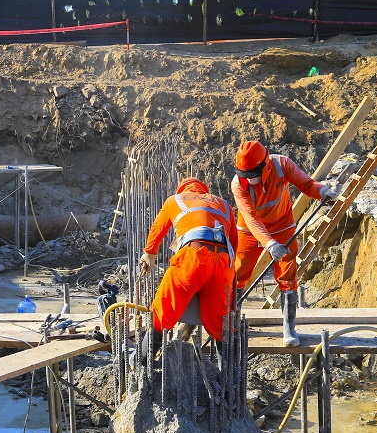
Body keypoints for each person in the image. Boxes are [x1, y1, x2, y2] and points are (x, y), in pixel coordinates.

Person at [231, 140, 340, 346]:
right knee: (239, 272)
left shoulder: (282, 165)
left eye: (253, 175)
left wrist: (323, 191)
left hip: (282, 225)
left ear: (266, 165)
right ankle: (232, 324)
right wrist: (270, 244)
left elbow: (307, 185)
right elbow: (252, 219)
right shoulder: (238, 184)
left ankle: (288, 328)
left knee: (288, 273)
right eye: (245, 175)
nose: (249, 179)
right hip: (250, 230)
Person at [137, 177, 238, 363]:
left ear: (182, 190)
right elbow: (234, 244)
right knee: (221, 325)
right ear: (204, 192)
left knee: (162, 312)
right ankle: (228, 379)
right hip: (223, 261)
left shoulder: (175, 200)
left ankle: (142, 364)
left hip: (193, 256)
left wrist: (149, 254)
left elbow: (157, 228)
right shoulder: (224, 204)